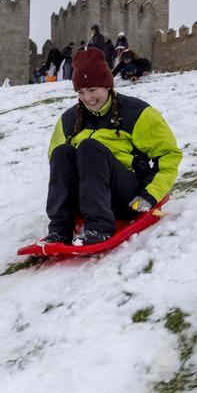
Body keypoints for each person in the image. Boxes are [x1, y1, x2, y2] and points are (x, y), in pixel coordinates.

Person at [43, 48, 181, 246]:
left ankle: (99, 228)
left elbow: (169, 155)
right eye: (81, 92)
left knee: (90, 147)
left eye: (92, 90)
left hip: (125, 197)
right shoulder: (69, 119)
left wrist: (150, 195)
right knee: (61, 152)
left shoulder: (136, 113)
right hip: (86, 197)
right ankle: (60, 229)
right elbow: (56, 165)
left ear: (107, 85)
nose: (88, 99)